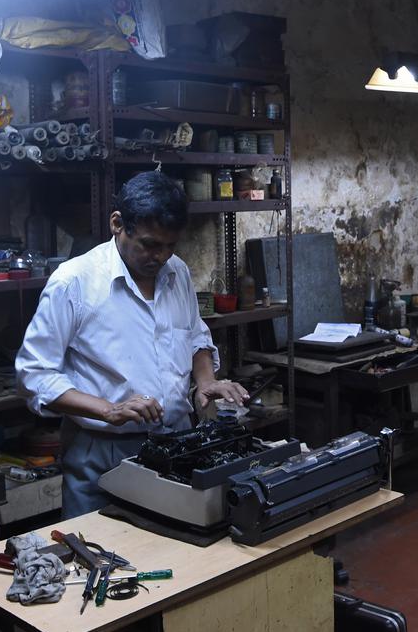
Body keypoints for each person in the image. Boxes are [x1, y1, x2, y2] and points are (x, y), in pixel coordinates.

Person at [17, 171, 249, 518]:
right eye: (150, 244)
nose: (160, 256)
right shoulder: (74, 282)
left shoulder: (177, 272)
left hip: (177, 442)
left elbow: (195, 334)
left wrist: (205, 381)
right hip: (103, 452)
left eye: (170, 246)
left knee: (175, 553)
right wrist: (108, 410)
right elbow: (34, 375)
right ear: (117, 224)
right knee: (99, 557)